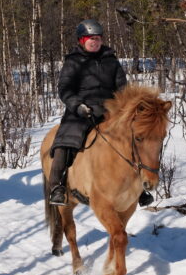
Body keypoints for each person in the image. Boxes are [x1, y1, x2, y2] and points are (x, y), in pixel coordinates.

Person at [47, 19, 152, 207]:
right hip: (81, 110)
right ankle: (57, 186)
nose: (95, 42)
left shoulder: (111, 60)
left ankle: (138, 185)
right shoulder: (73, 61)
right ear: (82, 40)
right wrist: (77, 105)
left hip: (110, 109)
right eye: (91, 39)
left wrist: (128, 106)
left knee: (135, 138)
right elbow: (65, 89)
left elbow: (122, 88)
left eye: (97, 38)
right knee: (65, 140)